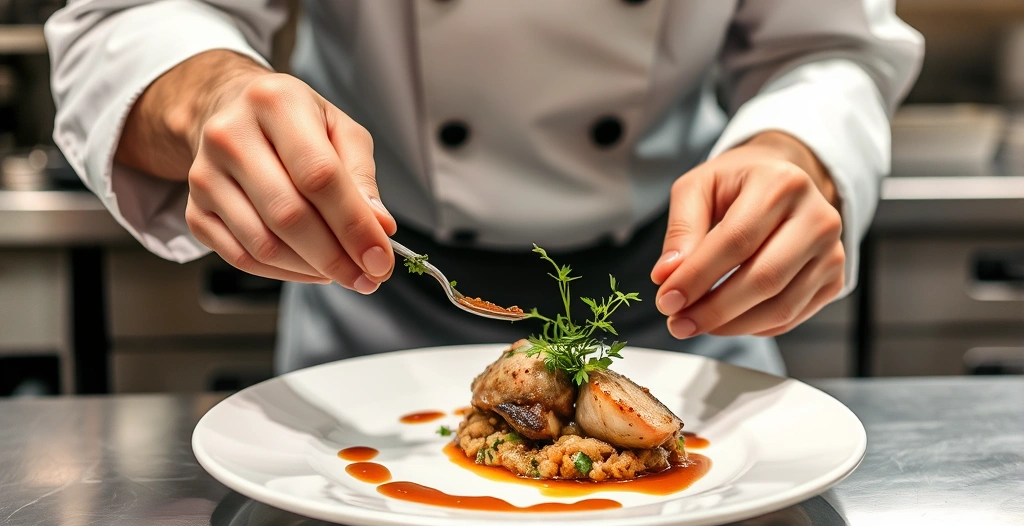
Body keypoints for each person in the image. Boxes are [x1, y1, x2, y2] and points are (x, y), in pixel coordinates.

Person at [45, 1, 923, 377]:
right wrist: (213, 96)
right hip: (372, 302)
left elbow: (829, 43)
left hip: (681, 310)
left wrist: (795, 149)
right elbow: (128, 17)